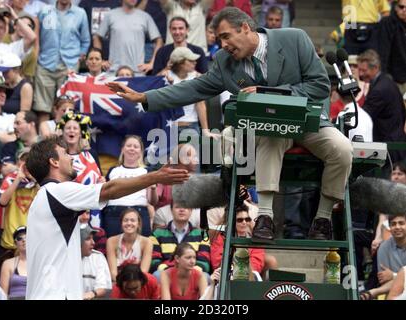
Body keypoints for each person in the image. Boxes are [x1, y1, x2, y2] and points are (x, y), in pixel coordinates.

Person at [107, 7, 353, 242]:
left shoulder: (294, 38)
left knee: (342, 149)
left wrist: (269, 93)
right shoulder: (225, 61)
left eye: (226, 36)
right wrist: (144, 97)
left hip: (307, 121)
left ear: (245, 27)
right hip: (268, 129)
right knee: (271, 133)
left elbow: (319, 85)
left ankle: (323, 218)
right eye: (218, 38)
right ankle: (265, 216)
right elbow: (195, 88)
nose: (223, 44)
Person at [24, 136, 189, 299]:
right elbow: (109, 190)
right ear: (54, 162)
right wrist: (156, 177)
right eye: (66, 154)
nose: (72, 159)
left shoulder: (44, 198)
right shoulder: (57, 191)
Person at [33, 0, 90, 123]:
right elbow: (37, 37)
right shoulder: (44, 11)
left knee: (66, 107)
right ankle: (45, 140)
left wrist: (78, 58)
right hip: (45, 63)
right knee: (43, 108)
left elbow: (85, 40)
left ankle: (62, 140)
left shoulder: (80, 13)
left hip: (69, 66)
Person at [357, 49, 406, 164]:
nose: (361, 74)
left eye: (364, 70)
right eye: (360, 70)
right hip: (394, 139)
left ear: (375, 68)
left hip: (389, 147)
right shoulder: (386, 82)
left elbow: (363, 116)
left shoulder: (380, 89)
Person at [102, 135, 157, 237]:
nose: (132, 149)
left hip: (139, 213)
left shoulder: (147, 171)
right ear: (123, 149)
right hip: (114, 215)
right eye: (129, 146)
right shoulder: (113, 171)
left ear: (141, 152)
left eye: (136, 147)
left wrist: (153, 189)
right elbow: (105, 195)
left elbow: (152, 201)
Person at [93, 0, 163, 75]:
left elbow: (159, 40)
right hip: (114, 71)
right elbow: (97, 37)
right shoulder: (110, 15)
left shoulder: (145, 16)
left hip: (137, 72)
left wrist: (152, 63)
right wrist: (101, 60)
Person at [210, 204, 277, 279]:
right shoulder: (220, 238)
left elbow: (257, 265)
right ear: (231, 222)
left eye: (247, 219)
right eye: (240, 220)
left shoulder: (253, 238)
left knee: (271, 260)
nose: (244, 222)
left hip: (249, 276)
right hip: (226, 275)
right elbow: (217, 263)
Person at [150, 202, 211, 274]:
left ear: (191, 210)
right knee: (157, 274)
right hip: (166, 273)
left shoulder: (202, 235)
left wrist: (190, 271)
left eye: (185, 207)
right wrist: (170, 271)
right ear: (171, 210)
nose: (181, 210)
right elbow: (154, 261)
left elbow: (204, 263)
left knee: (205, 276)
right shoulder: (157, 234)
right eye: (178, 207)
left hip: (193, 274)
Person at [360, 213, 406, 300]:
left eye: (401, 223)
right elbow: (384, 279)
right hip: (392, 291)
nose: (397, 227)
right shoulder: (384, 247)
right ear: (389, 227)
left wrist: (393, 275)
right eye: (393, 224)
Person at [106, 208, 153, 282]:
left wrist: (132, 285)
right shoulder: (111, 241)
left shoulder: (147, 242)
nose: (129, 223)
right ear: (121, 223)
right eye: (125, 220)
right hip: (117, 282)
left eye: (132, 220)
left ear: (138, 224)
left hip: (138, 283)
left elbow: (144, 272)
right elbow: (113, 272)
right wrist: (123, 285)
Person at [378, 0, 406, 97]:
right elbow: (383, 52)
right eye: (401, 7)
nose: (404, 10)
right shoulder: (387, 23)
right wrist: (385, 77)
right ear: (395, 7)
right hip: (393, 78)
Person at [80, 223, 112, 300]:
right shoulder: (64, 259)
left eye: (92, 238)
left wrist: (92, 294)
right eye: (88, 239)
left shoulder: (98, 257)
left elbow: (104, 288)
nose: (93, 243)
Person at [0, 226, 27, 299]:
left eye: (27, 237)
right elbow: (2, 295)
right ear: (15, 243)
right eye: (19, 238)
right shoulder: (8, 264)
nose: (24, 240)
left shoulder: (39, 262)